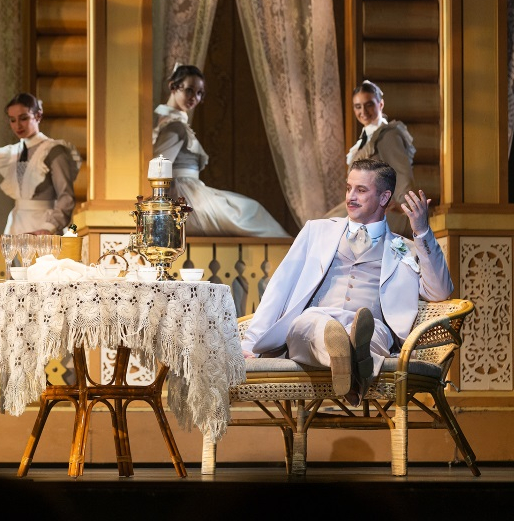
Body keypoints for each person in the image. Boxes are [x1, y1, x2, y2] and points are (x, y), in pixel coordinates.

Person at [241, 158, 452, 406]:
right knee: (309, 325)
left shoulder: (405, 248)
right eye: (349, 188)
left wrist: (422, 232)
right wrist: (250, 343)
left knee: (371, 335)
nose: (351, 197)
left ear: (384, 198)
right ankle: (354, 368)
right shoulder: (316, 231)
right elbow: (279, 287)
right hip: (315, 319)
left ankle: (349, 359)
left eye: (361, 190)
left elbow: (440, 291)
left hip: (371, 326)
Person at [152, 64, 289, 237]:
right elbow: (158, 168)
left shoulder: (173, 123)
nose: (194, 98)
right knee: (248, 212)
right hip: (183, 196)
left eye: (200, 93)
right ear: (173, 87)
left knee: (246, 208)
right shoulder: (174, 126)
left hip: (190, 191)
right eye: (189, 90)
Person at [325, 80, 416, 237]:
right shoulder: (364, 142)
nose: (363, 111)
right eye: (358, 106)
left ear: (380, 104)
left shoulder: (388, 136)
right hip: (362, 206)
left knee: (329, 227)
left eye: (369, 105)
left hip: (381, 210)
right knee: (322, 224)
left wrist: (405, 207)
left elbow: (403, 175)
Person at [0, 92, 81, 235]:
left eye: (24, 118)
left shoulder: (53, 150)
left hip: (43, 226)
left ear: (38, 116)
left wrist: (49, 227)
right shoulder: (13, 152)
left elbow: (66, 196)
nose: (18, 125)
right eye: (12, 120)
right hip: (16, 226)